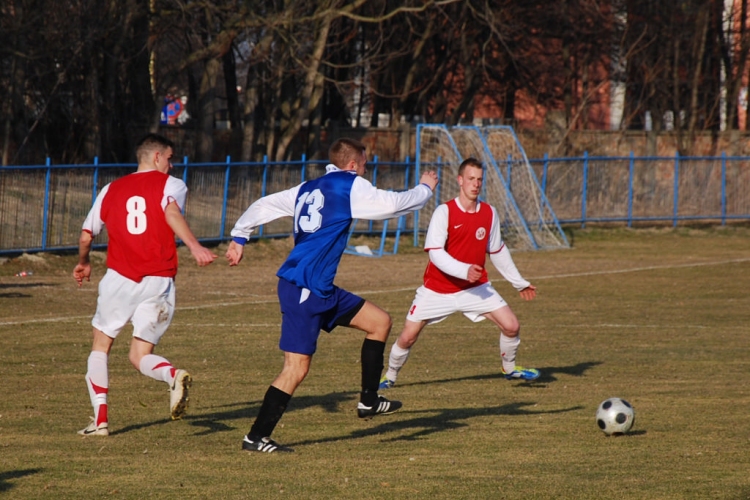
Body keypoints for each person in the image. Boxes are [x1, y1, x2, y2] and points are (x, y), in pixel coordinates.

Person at [226, 137, 439, 453]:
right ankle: (256, 438)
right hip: (304, 287)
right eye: (365, 164)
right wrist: (425, 189)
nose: (366, 170)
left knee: (380, 322)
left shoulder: (307, 188)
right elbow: (394, 205)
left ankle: (368, 401)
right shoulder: (349, 184)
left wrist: (240, 235)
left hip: (319, 288)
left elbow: (264, 204)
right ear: (353, 165)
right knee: (295, 368)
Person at [73, 133, 217, 436]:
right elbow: (170, 211)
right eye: (170, 158)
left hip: (120, 279)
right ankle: (172, 375)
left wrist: (84, 262)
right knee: (139, 354)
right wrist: (193, 246)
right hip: (160, 280)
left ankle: (100, 420)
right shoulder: (172, 185)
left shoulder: (111, 189)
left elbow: (87, 234)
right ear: (156, 157)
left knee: (101, 345)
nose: (172, 164)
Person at [379, 157, 539, 391]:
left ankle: (510, 369)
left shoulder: (489, 213)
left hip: (475, 289)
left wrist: (519, 282)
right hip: (437, 290)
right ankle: (389, 376)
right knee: (407, 337)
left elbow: (497, 250)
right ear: (460, 181)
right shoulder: (444, 212)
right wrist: (464, 270)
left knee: (512, 326)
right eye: (471, 179)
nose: (476, 184)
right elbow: (435, 253)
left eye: (479, 180)